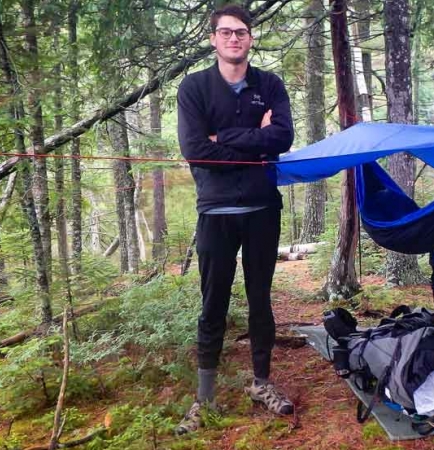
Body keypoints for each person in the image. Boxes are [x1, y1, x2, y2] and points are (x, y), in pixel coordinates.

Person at [175, 4, 295, 434]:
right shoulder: (195, 88)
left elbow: (282, 137)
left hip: (263, 209)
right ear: (213, 39)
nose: (233, 39)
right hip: (216, 213)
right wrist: (255, 143)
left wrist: (223, 138)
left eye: (241, 32)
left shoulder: (270, 84)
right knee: (213, 305)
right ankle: (203, 400)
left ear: (250, 37)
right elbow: (196, 151)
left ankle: (262, 383)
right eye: (225, 32)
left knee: (261, 300)